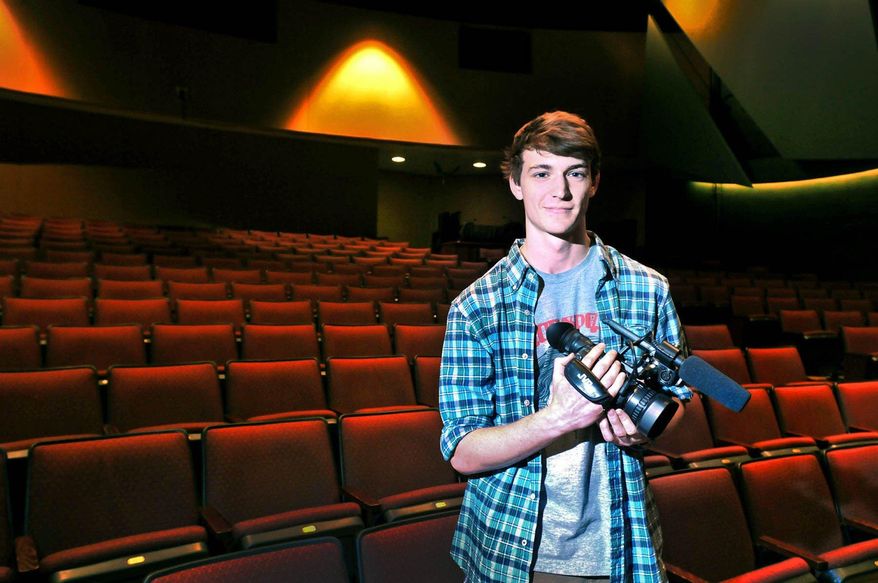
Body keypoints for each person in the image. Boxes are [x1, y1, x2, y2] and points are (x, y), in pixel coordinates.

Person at [439, 111, 691, 583]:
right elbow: (462, 451)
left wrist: (645, 431)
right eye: (542, 173)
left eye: (575, 173)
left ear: (594, 182)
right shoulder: (476, 306)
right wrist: (557, 419)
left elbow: (680, 408)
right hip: (514, 547)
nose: (561, 191)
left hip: (623, 539)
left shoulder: (647, 288)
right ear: (516, 184)